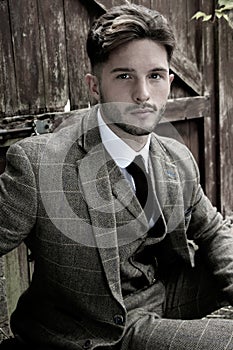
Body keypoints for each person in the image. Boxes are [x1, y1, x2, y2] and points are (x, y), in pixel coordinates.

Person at [1, 3, 233, 349]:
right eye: (124, 76)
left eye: (154, 76)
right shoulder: (39, 164)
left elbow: (213, 230)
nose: (142, 93)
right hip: (93, 331)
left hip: (163, 298)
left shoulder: (176, 157)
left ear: (169, 82)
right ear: (95, 87)